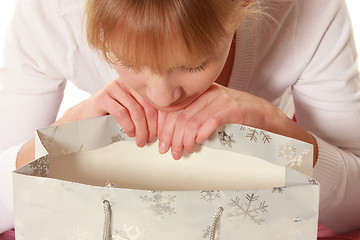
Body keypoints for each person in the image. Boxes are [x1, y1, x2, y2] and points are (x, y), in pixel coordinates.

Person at [0, 0, 359, 235]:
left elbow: (354, 208)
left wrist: (278, 129)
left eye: (193, 65)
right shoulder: (49, 12)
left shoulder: (311, 9)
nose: (161, 97)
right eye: (125, 58)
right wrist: (59, 139)